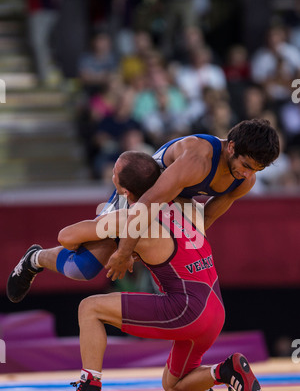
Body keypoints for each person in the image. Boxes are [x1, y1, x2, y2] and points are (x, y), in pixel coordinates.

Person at [43, 151, 262, 391]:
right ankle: (225, 371)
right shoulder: (184, 203)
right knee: (174, 385)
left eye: (114, 174)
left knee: (89, 308)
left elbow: (66, 236)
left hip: (187, 310)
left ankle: (89, 389)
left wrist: (105, 222)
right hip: (215, 310)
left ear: (124, 191)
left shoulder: (131, 218)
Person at [6, 118, 280, 301]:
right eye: (246, 165)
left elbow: (204, 218)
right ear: (231, 147)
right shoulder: (197, 159)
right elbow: (147, 203)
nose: (247, 175)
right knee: (84, 268)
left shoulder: (245, 180)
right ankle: (35, 259)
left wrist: (169, 250)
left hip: (175, 202)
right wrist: (125, 251)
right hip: (144, 191)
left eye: (256, 169)